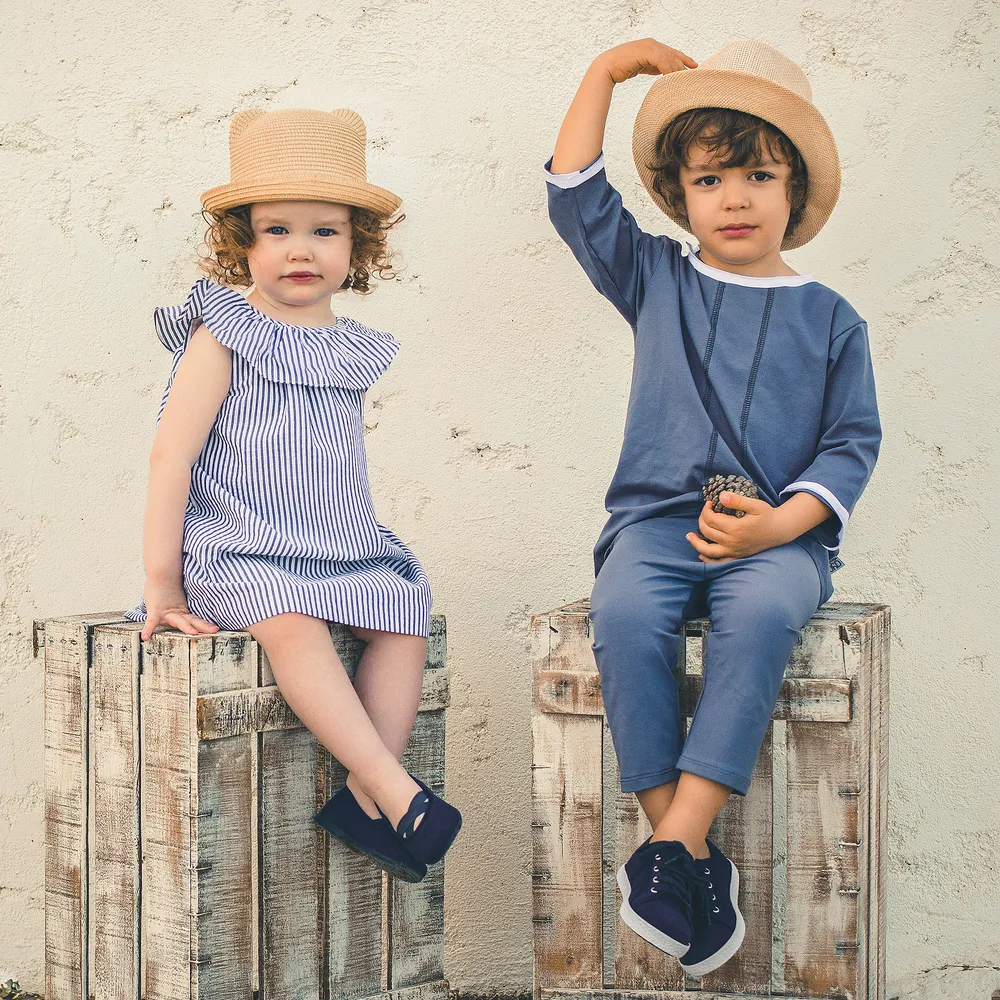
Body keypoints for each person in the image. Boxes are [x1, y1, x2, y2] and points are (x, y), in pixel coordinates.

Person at [545, 38, 880, 974]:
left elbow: (853, 443)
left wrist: (782, 526)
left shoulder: (831, 317)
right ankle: (688, 852)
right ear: (681, 194)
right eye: (710, 178)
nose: (734, 197)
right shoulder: (655, 277)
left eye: (759, 175)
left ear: (795, 191)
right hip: (655, 528)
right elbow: (575, 192)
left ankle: (666, 850)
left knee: (765, 610)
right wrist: (604, 72)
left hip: (778, 537)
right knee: (622, 611)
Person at [124, 107, 461, 883]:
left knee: (404, 611)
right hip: (238, 552)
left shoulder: (345, 350)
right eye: (276, 230)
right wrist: (161, 581)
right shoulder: (223, 334)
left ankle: (360, 801)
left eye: (325, 231)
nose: (300, 249)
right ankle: (396, 790)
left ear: (358, 247)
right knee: (293, 622)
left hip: (335, 548)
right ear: (242, 244)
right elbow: (171, 455)